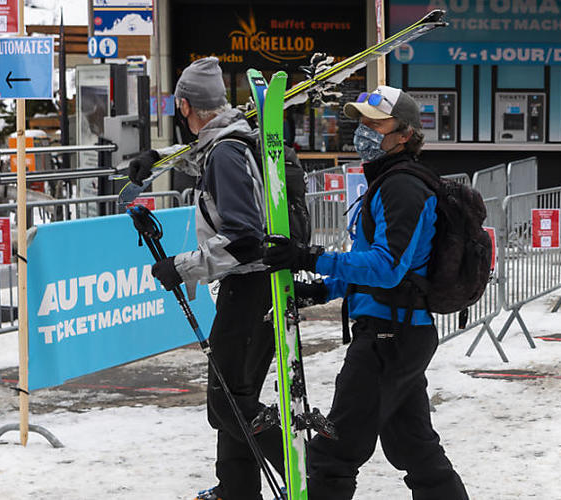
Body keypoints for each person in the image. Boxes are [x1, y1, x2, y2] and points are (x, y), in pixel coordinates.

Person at [264, 85, 469, 500]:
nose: (364, 131)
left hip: (390, 336)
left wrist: (310, 257)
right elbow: (367, 263)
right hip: (397, 332)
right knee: (416, 449)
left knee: (334, 453)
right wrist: (322, 291)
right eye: (361, 121)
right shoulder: (387, 182)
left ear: (405, 133)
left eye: (376, 123)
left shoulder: (403, 188)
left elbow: (387, 268)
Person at [127, 56, 283, 500]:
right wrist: (156, 159)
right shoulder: (229, 141)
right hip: (255, 288)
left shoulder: (227, 153)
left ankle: (309, 469)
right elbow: (205, 159)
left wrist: (180, 267)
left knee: (228, 401)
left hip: (250, 287)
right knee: (233, 394)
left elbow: (244, 240)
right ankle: (236, 488)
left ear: (184, 105)